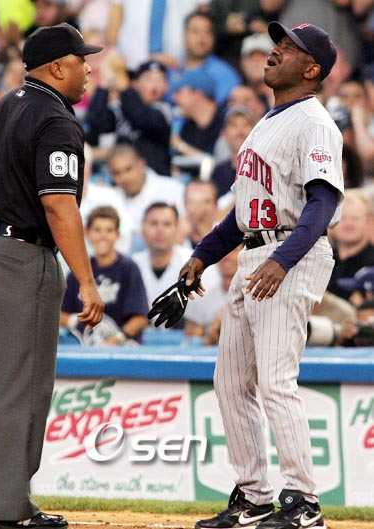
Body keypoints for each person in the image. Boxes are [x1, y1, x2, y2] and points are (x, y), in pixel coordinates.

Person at [172, 21, 344, 529]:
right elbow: (244, 211)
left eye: (289, 48)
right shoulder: (268, 120)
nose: (275, 51)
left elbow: (322, 203)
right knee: (229, 382)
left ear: (311, 70)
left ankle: (304, 502)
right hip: (257, 252)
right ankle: (254, 496)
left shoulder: (315, 123)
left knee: (274, 381)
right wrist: (203, 255)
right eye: (277, 44)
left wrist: (282, 260)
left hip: (290, 252)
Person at [0, 22, 104, 529]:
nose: (88, 68)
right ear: (56, 67)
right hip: (19, 255)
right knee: (22, 387)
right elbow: (58, 204)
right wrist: (87, 280)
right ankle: (9, 510)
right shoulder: (55, 119)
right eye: (81, 60)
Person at [61, 206, 148, 344]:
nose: (103, 236)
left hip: (125, 348)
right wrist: (75, 321)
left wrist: (116, 340)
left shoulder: (128, 268)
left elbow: (141, 317)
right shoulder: (79, 270)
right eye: (97, 230)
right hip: (86, 346)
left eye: (109, 230)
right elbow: (60, 314)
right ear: (87, 233)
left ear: (117, 234)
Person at [84, 58, 173, 175]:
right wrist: (104, 86)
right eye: (149, 79)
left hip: (154, 178)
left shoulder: (164, 110)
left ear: (166, 86)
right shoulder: (122, 106)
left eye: (160, 79)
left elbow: (141, 117)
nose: (154, 85)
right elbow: (96, 121)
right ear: (136, 83)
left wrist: (124, 87)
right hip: (119, 177)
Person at [106, 143, 185, 252]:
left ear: (141, 164)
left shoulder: (172, 189)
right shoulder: (111, 197)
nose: (124, 178)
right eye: (117, 173)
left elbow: (182, 232)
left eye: (128, 169)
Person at [327, 189, 374, 301]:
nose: (348, 224)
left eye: (355, 219)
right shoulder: (321, 258)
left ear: (369, 222)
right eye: (342, 218)